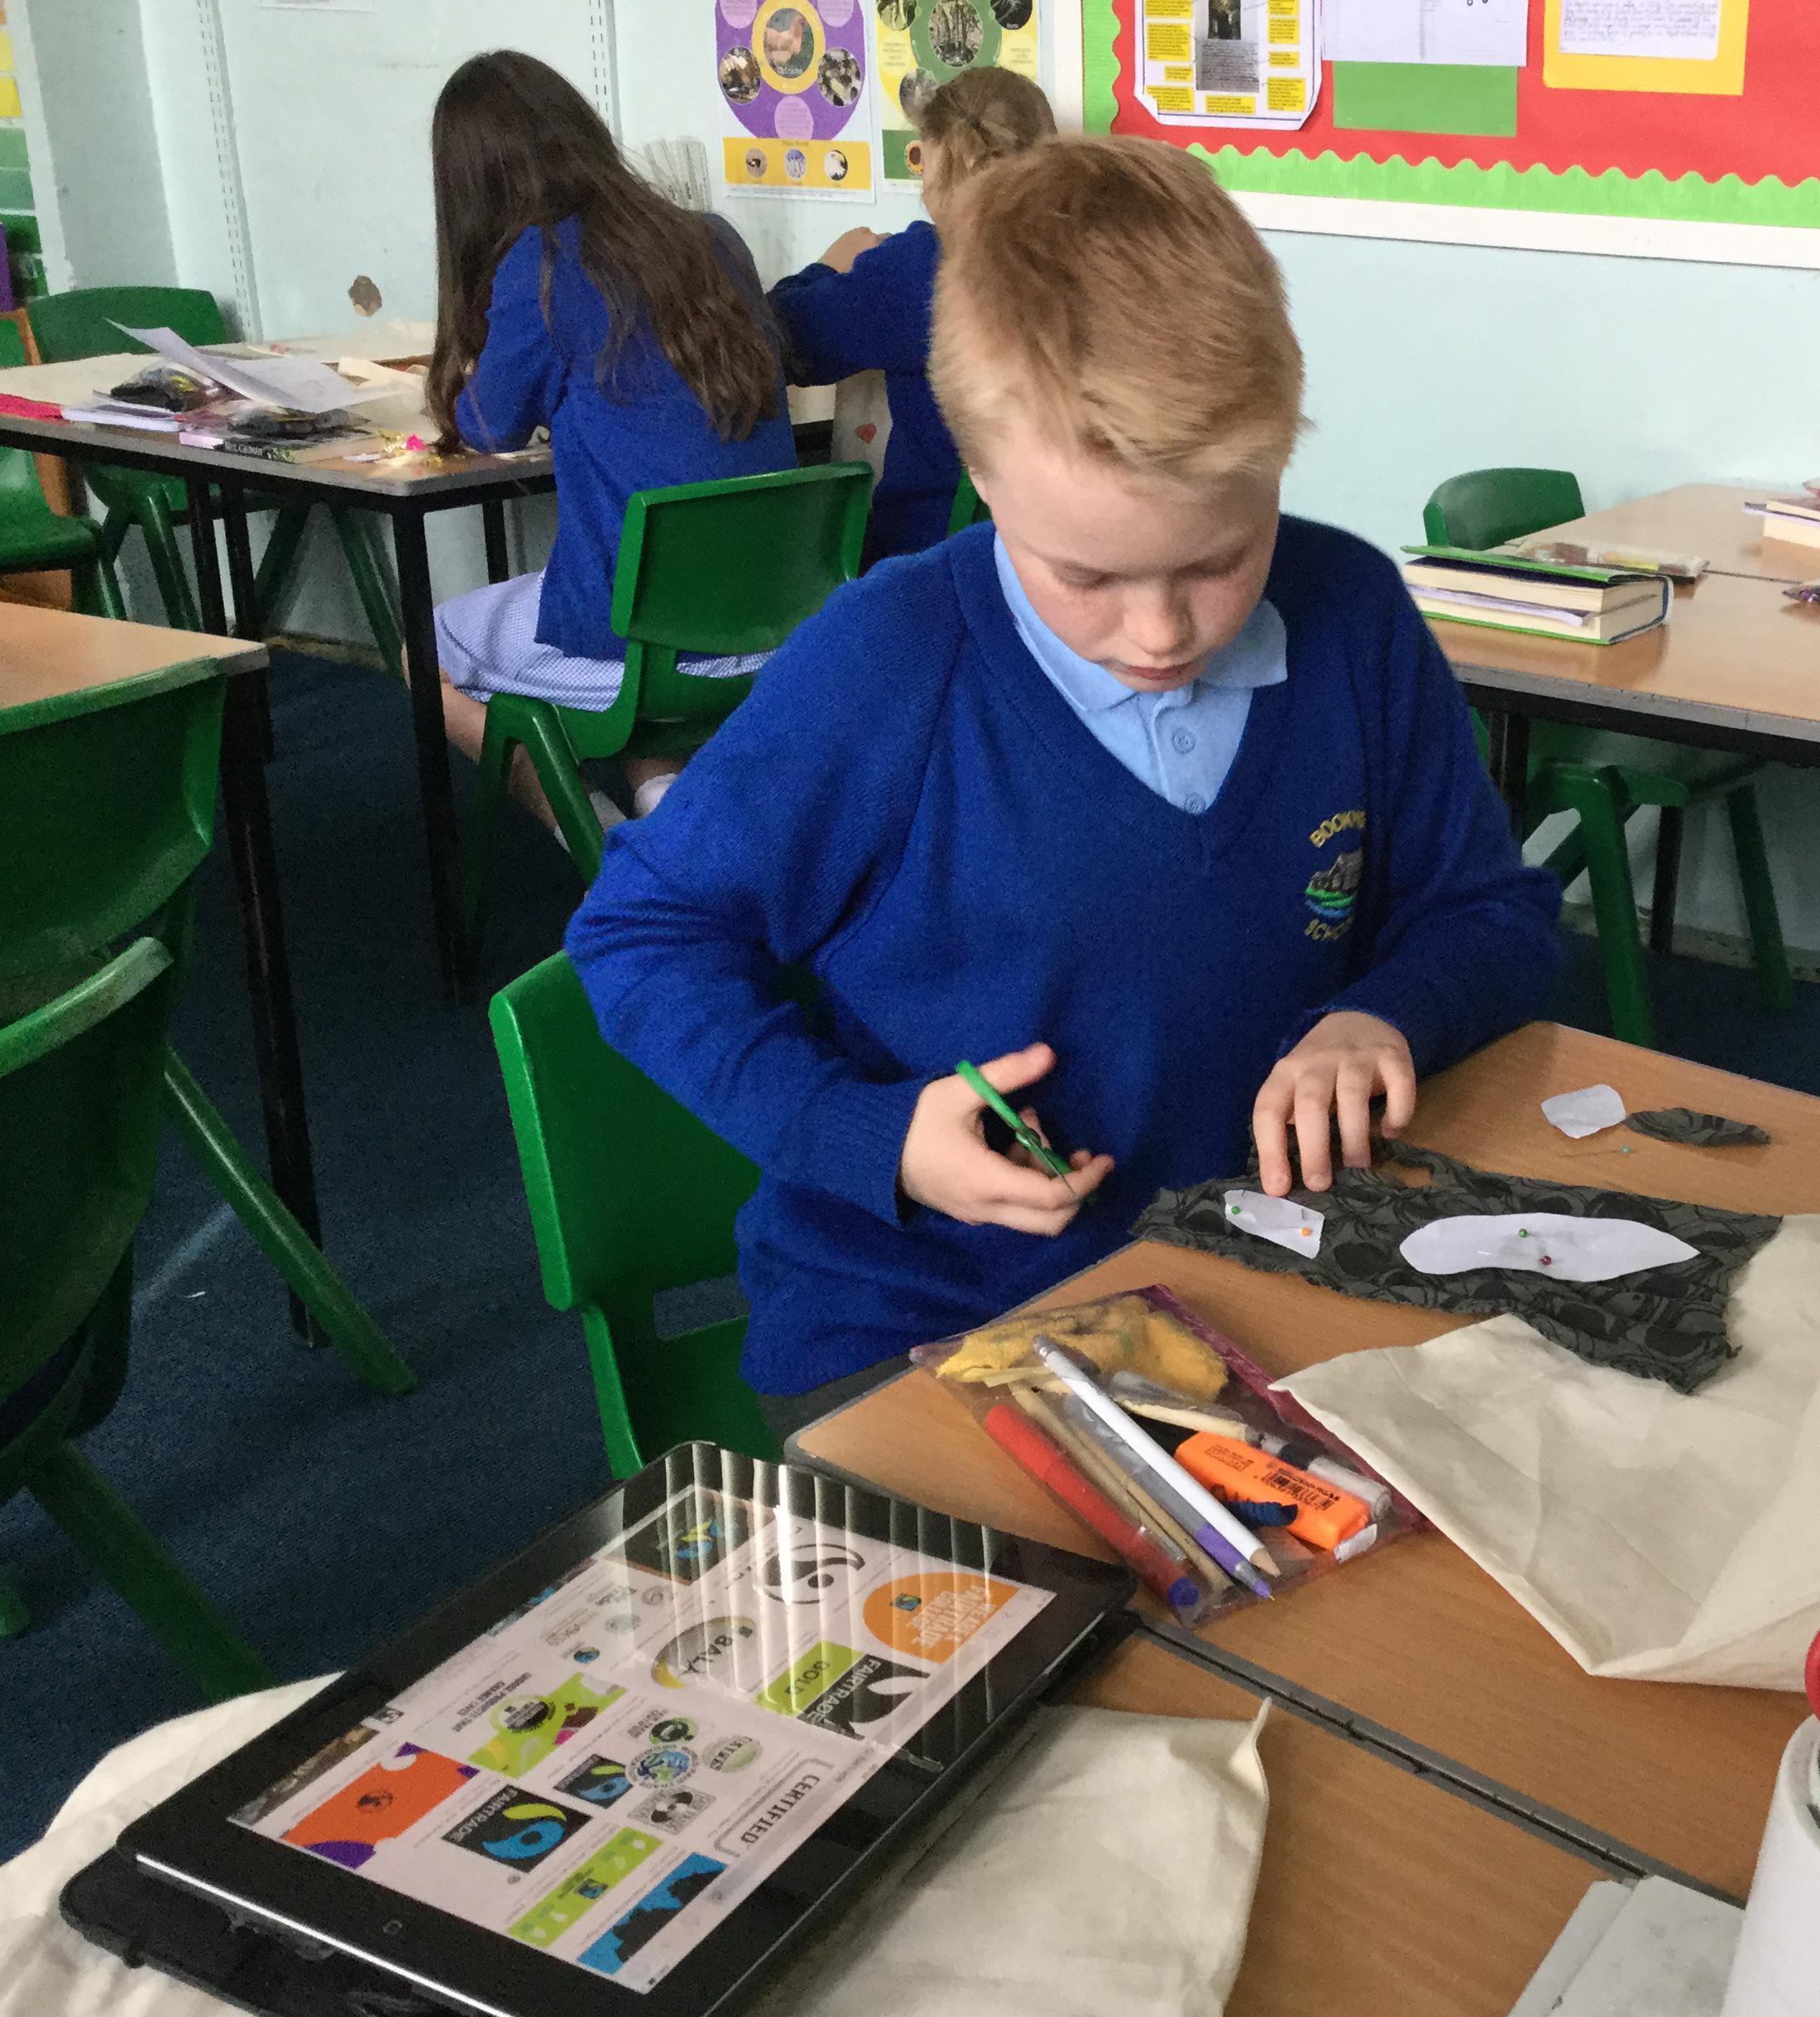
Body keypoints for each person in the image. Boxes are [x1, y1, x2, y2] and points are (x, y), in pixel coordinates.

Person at [568, 135, 1564, 1435]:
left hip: (1259, 1279)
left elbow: (1491, 913)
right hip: (929, 1321)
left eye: (1219, 557)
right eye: (1085, 576)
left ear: (1280, 456)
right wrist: (865, 1136)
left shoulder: (1352, 614)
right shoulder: (891, 661)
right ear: (980, 477)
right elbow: (641, 933)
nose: (1160, 631)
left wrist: (1385, 1014)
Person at [424, 50, 796, 830]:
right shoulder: (715, 238)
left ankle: (598, 841)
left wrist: (452, 370)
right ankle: (664, 827)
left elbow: (487, 424)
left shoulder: (543, 261)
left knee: (424, 652)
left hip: (639, 642)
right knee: (633, 593)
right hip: (768, 618)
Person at [768, 66, 1056, 567]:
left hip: (929, 549)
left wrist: (829, 265)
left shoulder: (920, 267)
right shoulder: (1081, 259)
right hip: (1048, 546)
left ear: (934, 158)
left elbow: (777, 343)